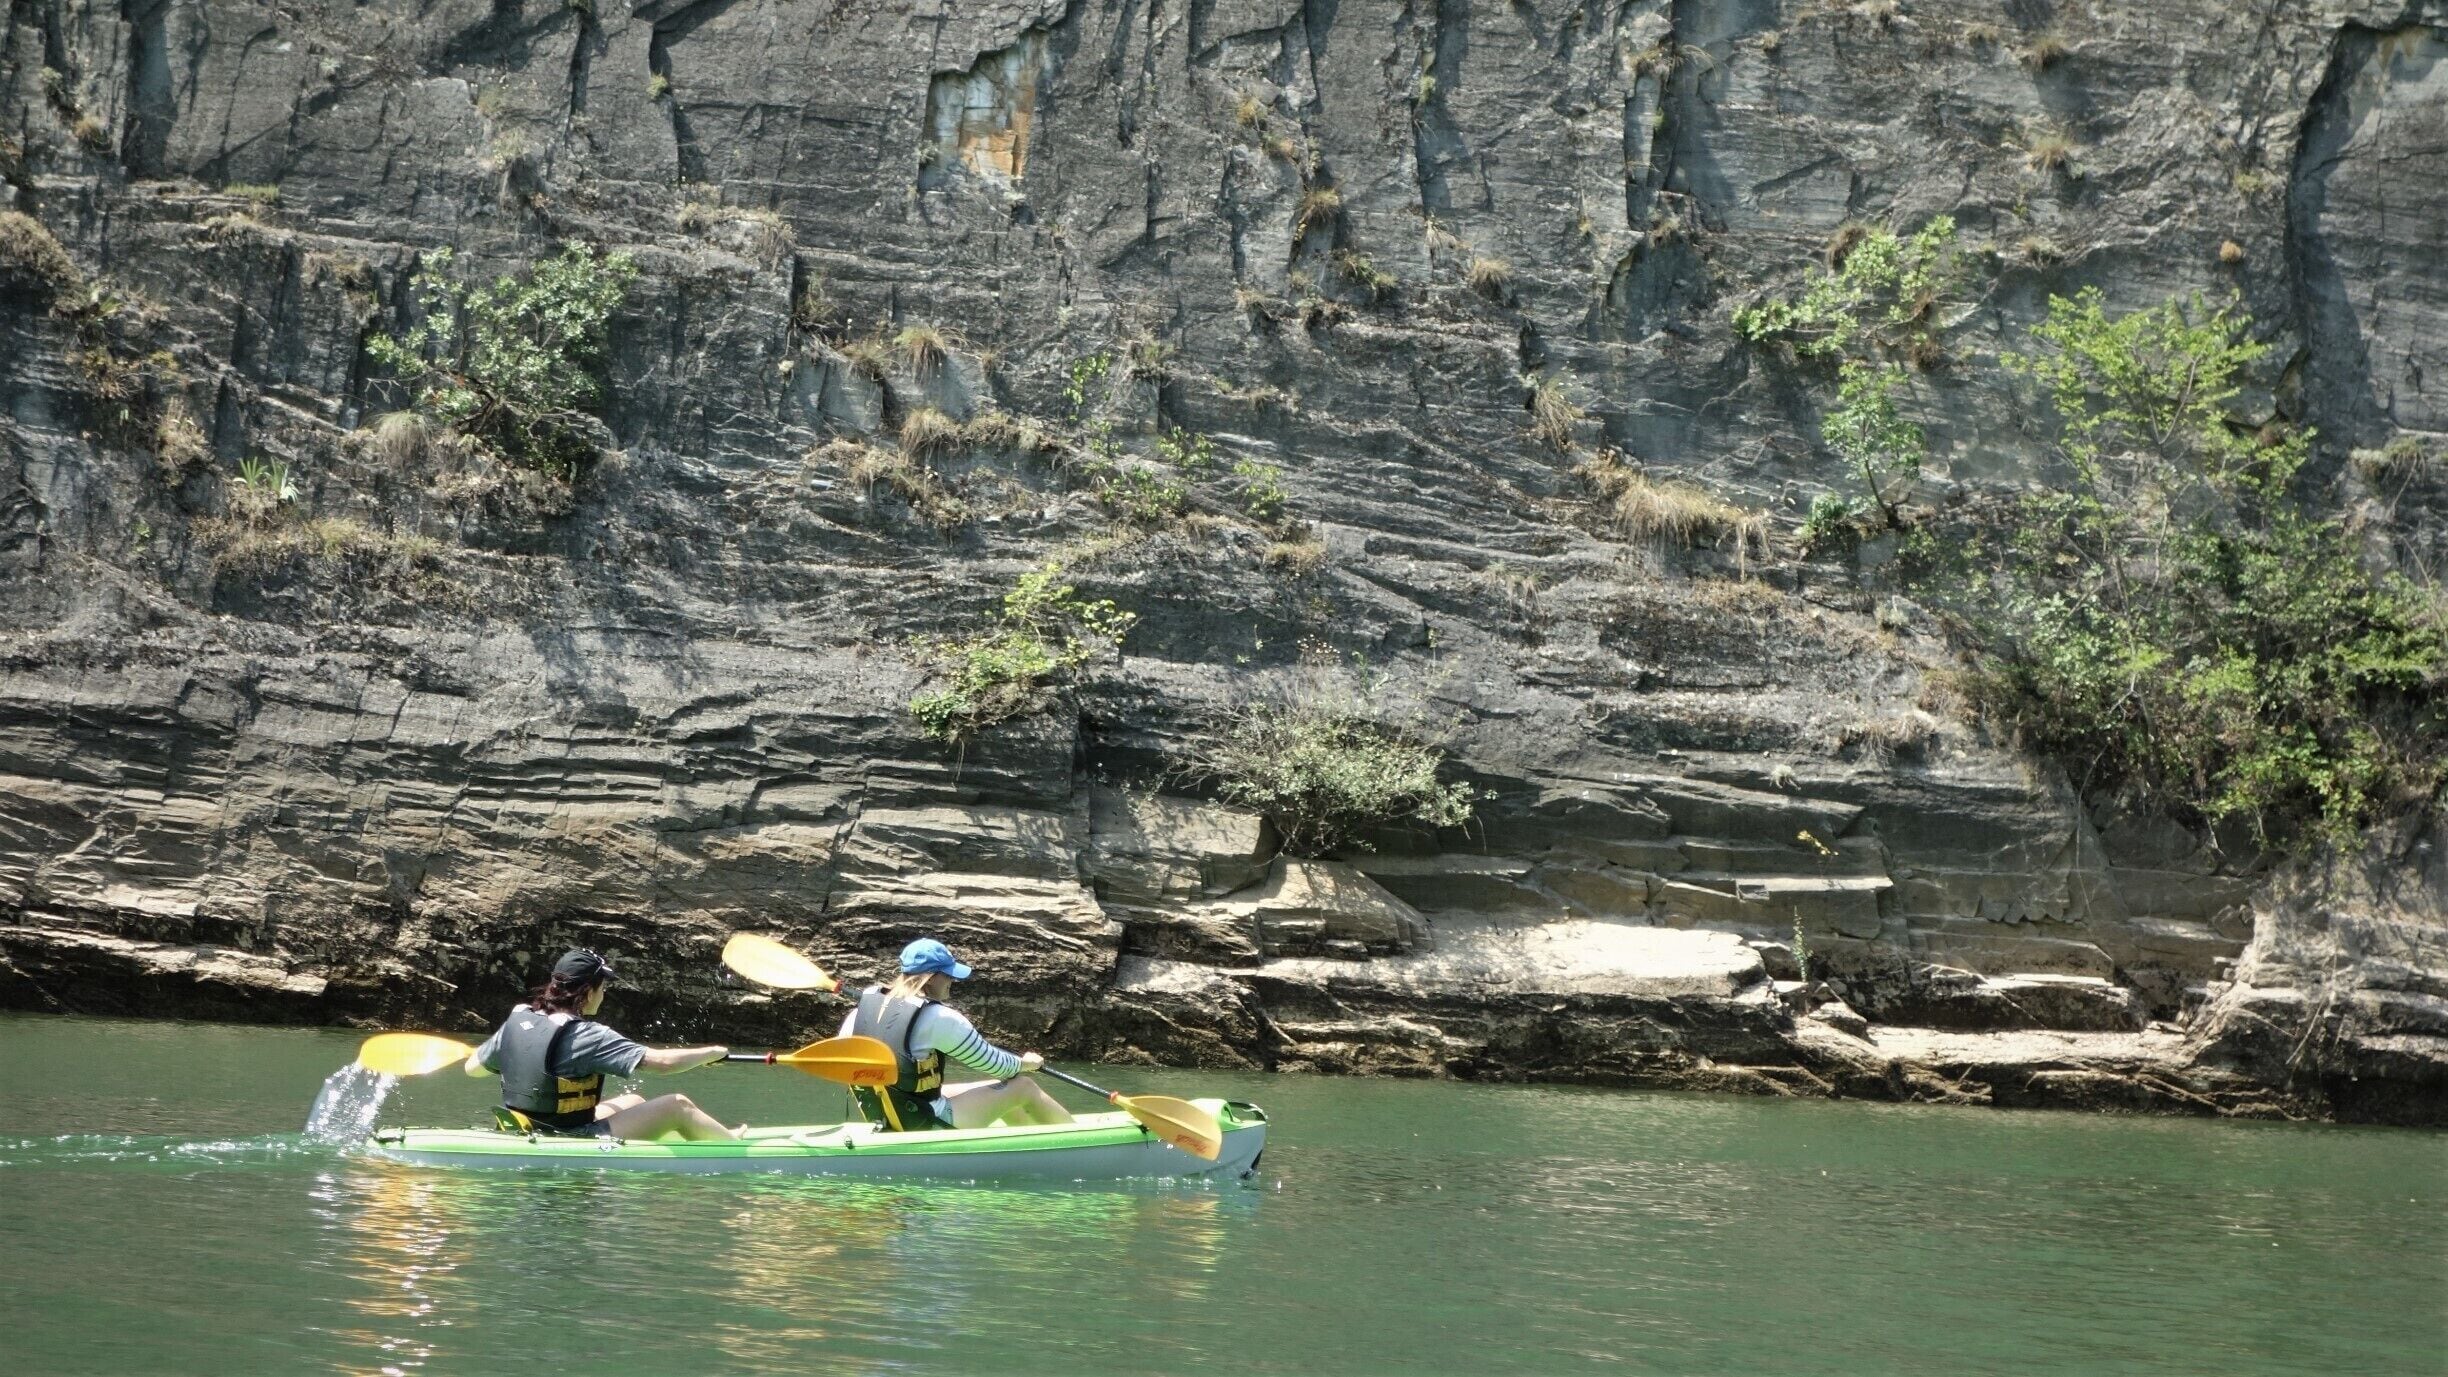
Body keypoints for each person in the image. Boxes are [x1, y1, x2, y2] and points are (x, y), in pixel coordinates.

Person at [464, 948, 739, 1141]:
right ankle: (730, 1145)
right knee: (677, 1105)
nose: (604, 994)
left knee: (634, 1101)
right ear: (588, 992)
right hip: (569, 1136)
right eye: (603, 988)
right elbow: (663, 1064)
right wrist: (711, 1053)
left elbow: (472, 1069)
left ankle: (696, 1134)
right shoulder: (588, 1035)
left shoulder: (518, 1019)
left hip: (530, 1125)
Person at [840, 939, 1073, 1132]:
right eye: (948, 975)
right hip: (925, 1124)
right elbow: (996, 1065)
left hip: (885, 1117)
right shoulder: (939, 1017)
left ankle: (1028, 1144)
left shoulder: (860, 1012)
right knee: (1022, 1085)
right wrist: (1026, 1063)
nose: (953, 981)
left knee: (997, 1089)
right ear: (931, 978)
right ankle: (1076, 1139)